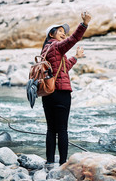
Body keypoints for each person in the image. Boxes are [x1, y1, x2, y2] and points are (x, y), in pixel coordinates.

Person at [41, 11, 91, 167]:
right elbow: (73, 39)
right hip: (61, 93)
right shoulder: (56, 46)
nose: (64, 34)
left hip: (48, 93)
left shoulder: (46, 50)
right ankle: (63, 164)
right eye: (61, 32)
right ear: (51, 34)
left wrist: (75, 57)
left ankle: (49, 162)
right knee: (62, 129)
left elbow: (63, 68)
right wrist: (84, 24)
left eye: (64, 32)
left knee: (51, 129)